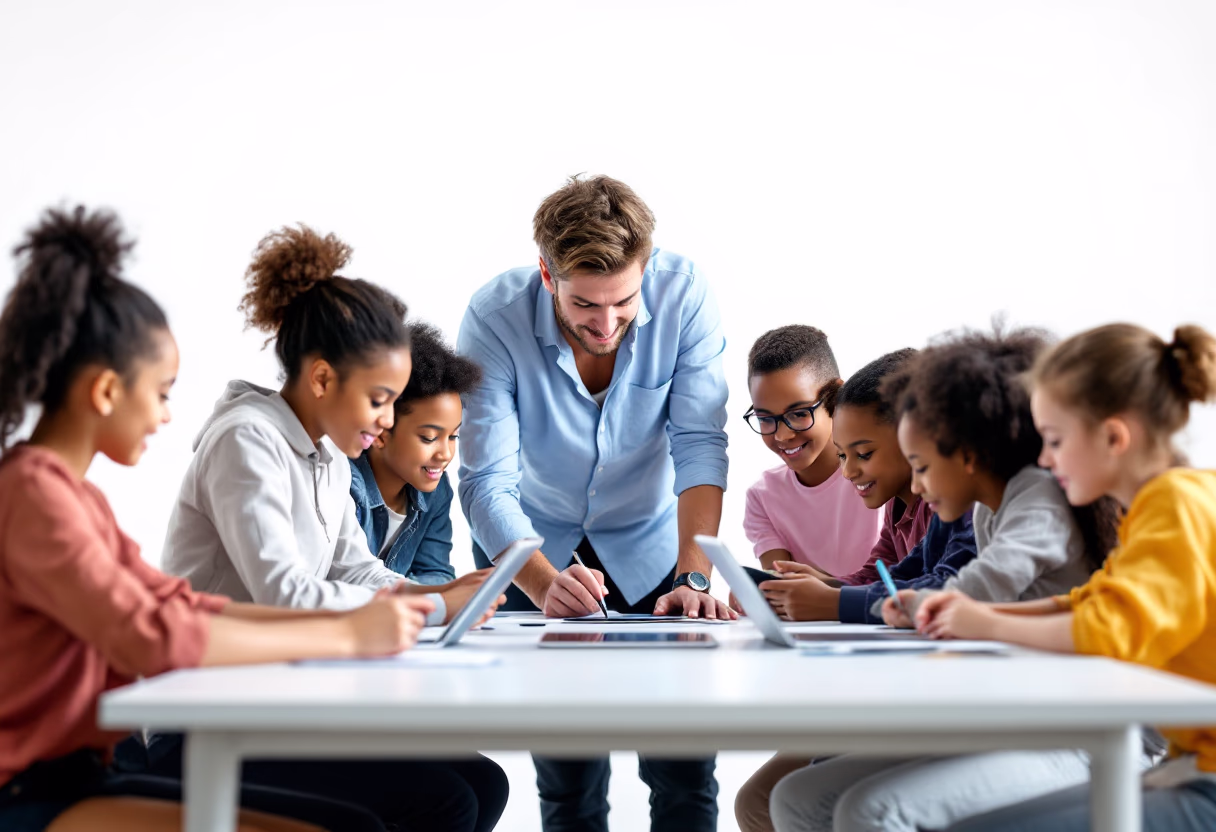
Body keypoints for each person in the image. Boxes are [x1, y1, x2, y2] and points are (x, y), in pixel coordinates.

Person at [0, 206, 433, 832]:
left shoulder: (71, 497)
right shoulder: (35, 497)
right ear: (105, 391)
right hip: (34, 792)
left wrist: (363, 621)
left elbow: (178, 604)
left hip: (86, 771)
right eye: (163, 392)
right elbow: (150, 634)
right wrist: (344, 635)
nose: (168, 416)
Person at [154, 224, 508, 832]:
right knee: (441, 800)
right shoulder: (247, 439)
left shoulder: (322, 455)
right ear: (322, 379)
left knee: (481, 780)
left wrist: (434, 595)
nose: (387, 419)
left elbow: (351, 565)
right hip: (207, 717)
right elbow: (284, 593)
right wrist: (430, 609)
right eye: (380, 399)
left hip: (277, 699)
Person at [458, 174, 731, 832]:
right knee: (569, 776)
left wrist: (695, 574)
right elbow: (485, 481)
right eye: (584, 304)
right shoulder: (493, 318)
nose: (605, 325)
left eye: (624, 302)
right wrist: (547, 582)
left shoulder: (685, 294)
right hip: (531, 543)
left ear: (648, 271)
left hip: (655, 543)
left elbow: (699, 445)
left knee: (684, 771)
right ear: (547, 277)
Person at [769, 326, 1122, 832]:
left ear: (967, 454)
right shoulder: (985, 508)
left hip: (1075, 730)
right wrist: (881, 600)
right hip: (1013, 715)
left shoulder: (1037, 498)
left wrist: (914, 606)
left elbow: (983, 586)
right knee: (798, 797)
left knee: (871, 811)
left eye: (921, 465)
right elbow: (913, 577)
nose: (914, 485)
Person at [918, 324, 1216, 832]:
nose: (1044, 458)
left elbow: (1106, 632)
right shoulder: (1162, 503)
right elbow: (1088, 602)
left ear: (1113, 437)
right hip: (1185, 766)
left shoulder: (1176, 505)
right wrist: (980, 614)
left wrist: (986, 625)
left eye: (1054, 441)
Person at [734, 348, 930, 832]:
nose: (848, 471)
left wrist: (833, 599)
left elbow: (940, 586)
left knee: (793, 798)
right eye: (845, 456)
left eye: (860, 455)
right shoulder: (898, 508)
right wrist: (824, 588)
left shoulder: (941, 506)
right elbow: (877, 574)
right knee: (758, 801)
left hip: (918, 696)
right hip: (883, 685)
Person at [741, 326, 882, 579]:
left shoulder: (882, 474)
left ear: (836, 396)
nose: (782, 436)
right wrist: (757, 590)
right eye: (765, 418)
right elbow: (781, 583)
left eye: (798, 414)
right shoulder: (762, 498)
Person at [349, 321, 482, 583]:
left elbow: (437, 573)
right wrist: (428, 596)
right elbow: (346, 580)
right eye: (429, 437)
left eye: (453, 436)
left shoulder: (435, 490)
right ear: (381, 432)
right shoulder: (344, 484)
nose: (445, 454)